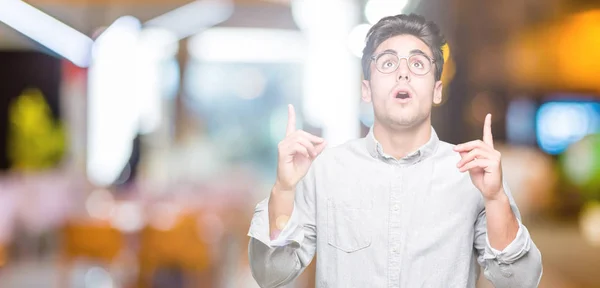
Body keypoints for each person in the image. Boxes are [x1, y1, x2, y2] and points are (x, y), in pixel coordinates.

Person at [247, 13, 542, 288]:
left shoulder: (472, 174)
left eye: (417, 64)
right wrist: (284, 189)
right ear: (366, 89)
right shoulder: (325, 171)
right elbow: (271, 275)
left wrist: (495, 198)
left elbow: (520, 281)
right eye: (388, 63)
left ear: (437, 89)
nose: (403, 73)